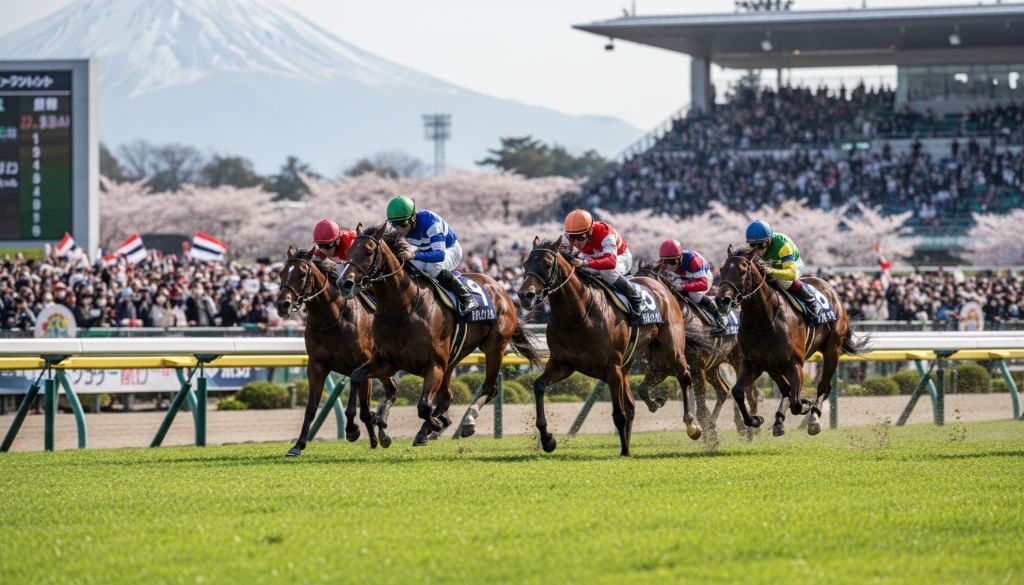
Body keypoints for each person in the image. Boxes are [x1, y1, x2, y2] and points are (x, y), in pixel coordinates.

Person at [385, 195, 478, 317]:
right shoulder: (399, 227)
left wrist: (413, 255)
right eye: (394, 224)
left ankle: (466, 297)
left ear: (413, 217)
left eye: (402, 223)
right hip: (425, 249)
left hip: (449, 249)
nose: (398, 228)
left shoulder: (430, 223)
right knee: (406, 266)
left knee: (433, 269)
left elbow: (439, 255)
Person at [562, 209, 642, 314]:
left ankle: (635, 297)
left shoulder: (605, 232)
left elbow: (611, 262)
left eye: (581, 237)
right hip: (593, 257)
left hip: (620, 257)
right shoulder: (567, 237)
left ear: (590, 231)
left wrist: (585, 263)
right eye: (573, 238)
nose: (576, 242)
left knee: (606, 272)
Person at [744, 219, 821, 314]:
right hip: (771, 264)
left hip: (793, 265)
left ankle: (810, 300)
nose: (757, 250)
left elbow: (792, 274)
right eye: (752, 245)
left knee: (781, 280)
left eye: (761, 245)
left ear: (769, 241)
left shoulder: (782, 245)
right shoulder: (748, 246)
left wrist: (771, 271)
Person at [657, 239, 728, 332]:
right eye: (665, 262)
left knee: (694, 295)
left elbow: (703, 284)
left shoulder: (692, 259)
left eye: (672, 262)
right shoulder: (663, 263)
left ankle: (719, 316)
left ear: (680, 257)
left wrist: (682, 287)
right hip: (682, 277)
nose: (669, 266)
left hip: (703, 277)